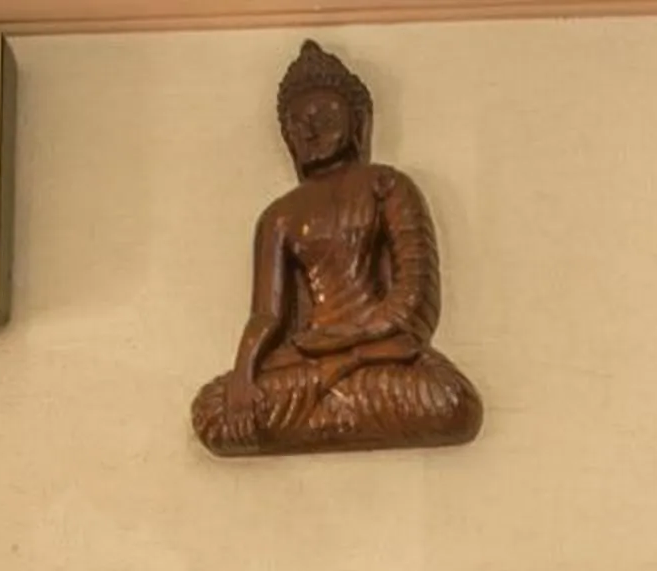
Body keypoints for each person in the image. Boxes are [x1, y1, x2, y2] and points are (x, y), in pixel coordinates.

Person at [188, 40, 482, 456]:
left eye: (325, 116)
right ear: (288, 136)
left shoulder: (387, 186)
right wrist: (242, 377)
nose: (311, 130)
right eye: (298, 123)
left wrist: (349, 346)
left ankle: (333, 393)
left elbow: (415, 299)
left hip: (379, 353)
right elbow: (267, 315)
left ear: (357, 120)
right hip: (311, 358)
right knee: (211, 411)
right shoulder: (279, 216)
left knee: (449, 400)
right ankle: (337, 388)